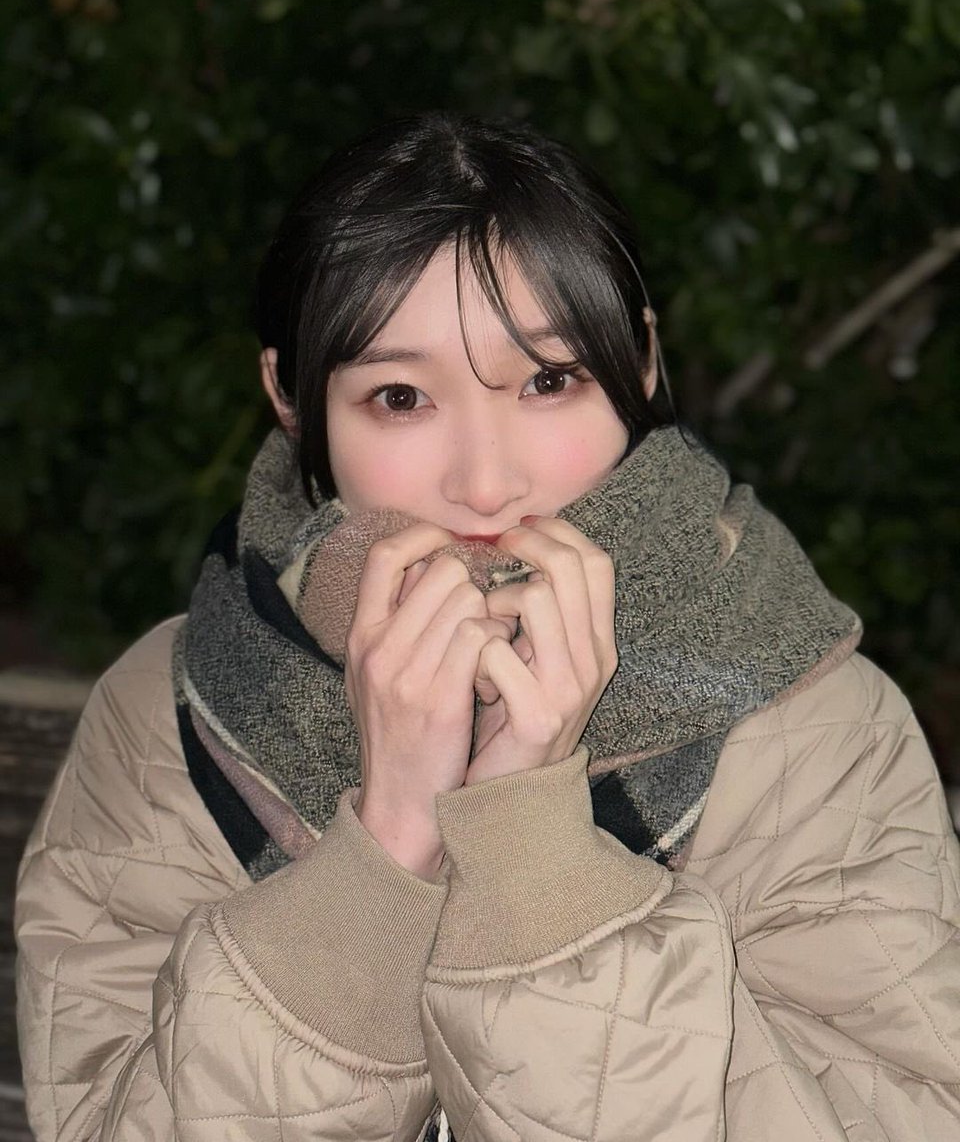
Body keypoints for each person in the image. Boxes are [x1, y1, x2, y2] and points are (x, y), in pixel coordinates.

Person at [15, 112, 960, 1142]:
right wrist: (387, 846)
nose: (485, 481)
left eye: (548, 381)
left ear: (641, 359)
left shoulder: (814, 727)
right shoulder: (175, 712)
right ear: (290, 396)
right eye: (401, 397)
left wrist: (531, 854)